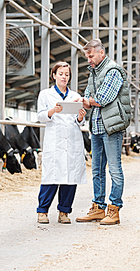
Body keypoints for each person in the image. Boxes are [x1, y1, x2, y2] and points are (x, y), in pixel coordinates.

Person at [76, 39, 132, 226]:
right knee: (97, 171)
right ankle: (98, 208)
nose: (89, 60)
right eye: (87, 57)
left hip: (111, 128)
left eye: (91, 56)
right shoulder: (93, 73)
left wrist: (88, 101)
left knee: (114, 170)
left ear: (101, 53)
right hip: (97, 127)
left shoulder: (113, 71)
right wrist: (85, 101)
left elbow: (103, 98)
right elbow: (87, 95)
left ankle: (114, 209)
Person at [36, 62, 87, 224]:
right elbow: (41, 116)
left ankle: (64, 212)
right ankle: (42, 211)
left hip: (72, 141)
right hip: (55, 141)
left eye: (67, 74)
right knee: (51, 177)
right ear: (54, 75)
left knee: (70, 179)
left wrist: (80, 116)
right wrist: (52, 111)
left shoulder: (75, 96)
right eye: (61, 74)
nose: (64, 77)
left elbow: (79, 122)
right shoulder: (45, 95)